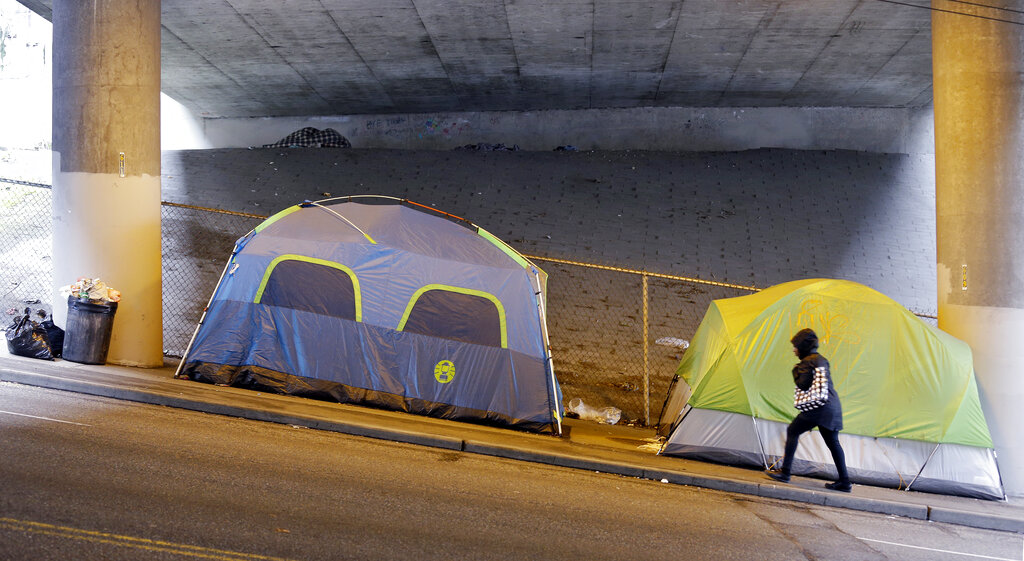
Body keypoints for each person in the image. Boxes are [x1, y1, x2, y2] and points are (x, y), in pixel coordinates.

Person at [766, 328, 852, 492]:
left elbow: (803, 384)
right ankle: (845, 482)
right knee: (833, 443)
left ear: (803, 347)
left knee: (793, 430)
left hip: (818, 409)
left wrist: (795, 371)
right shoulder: (821, 360)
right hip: (832, 407)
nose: (794, 349)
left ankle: (785, 472)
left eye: (796, 346)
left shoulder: (807, 362)